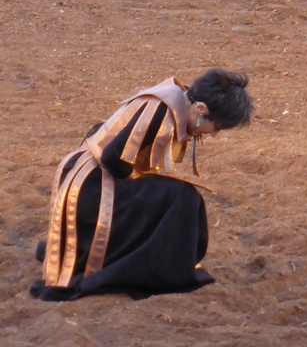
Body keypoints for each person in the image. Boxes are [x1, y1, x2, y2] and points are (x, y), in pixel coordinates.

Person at [30, 69, 254, 301]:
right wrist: (143, 187)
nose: (215, 134)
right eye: (216, 127)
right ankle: (158, 269)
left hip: (89, 178)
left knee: (171, 194)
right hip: (91, 187)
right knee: (181, 198)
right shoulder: (160, 109)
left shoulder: (176, 98)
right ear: (200, 109)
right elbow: (112, 159)